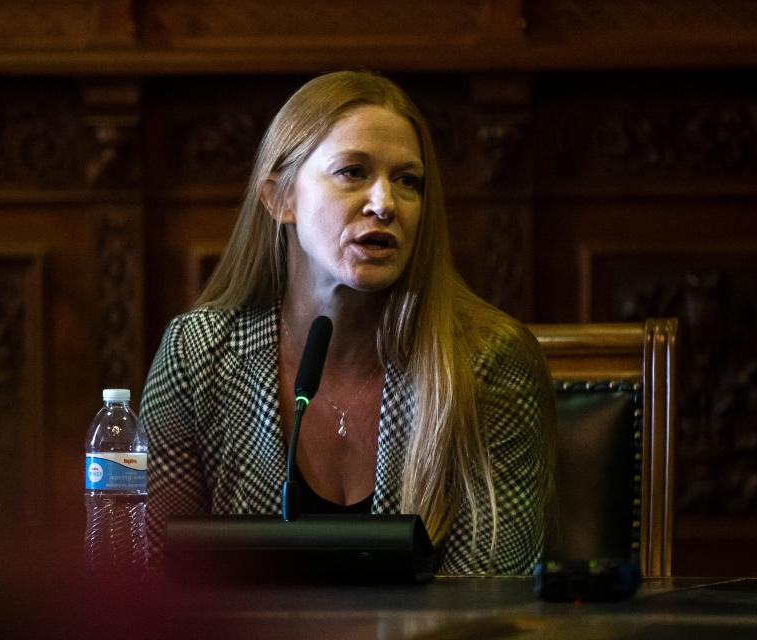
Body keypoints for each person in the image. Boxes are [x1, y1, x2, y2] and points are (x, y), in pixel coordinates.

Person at [139, 70, 556, 575]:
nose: (384, 204)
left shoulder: (486, 358)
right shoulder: (199, 353)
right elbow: (151, 575)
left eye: (408, 181)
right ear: (280, 198)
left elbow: (487, 591)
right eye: (353, 172)